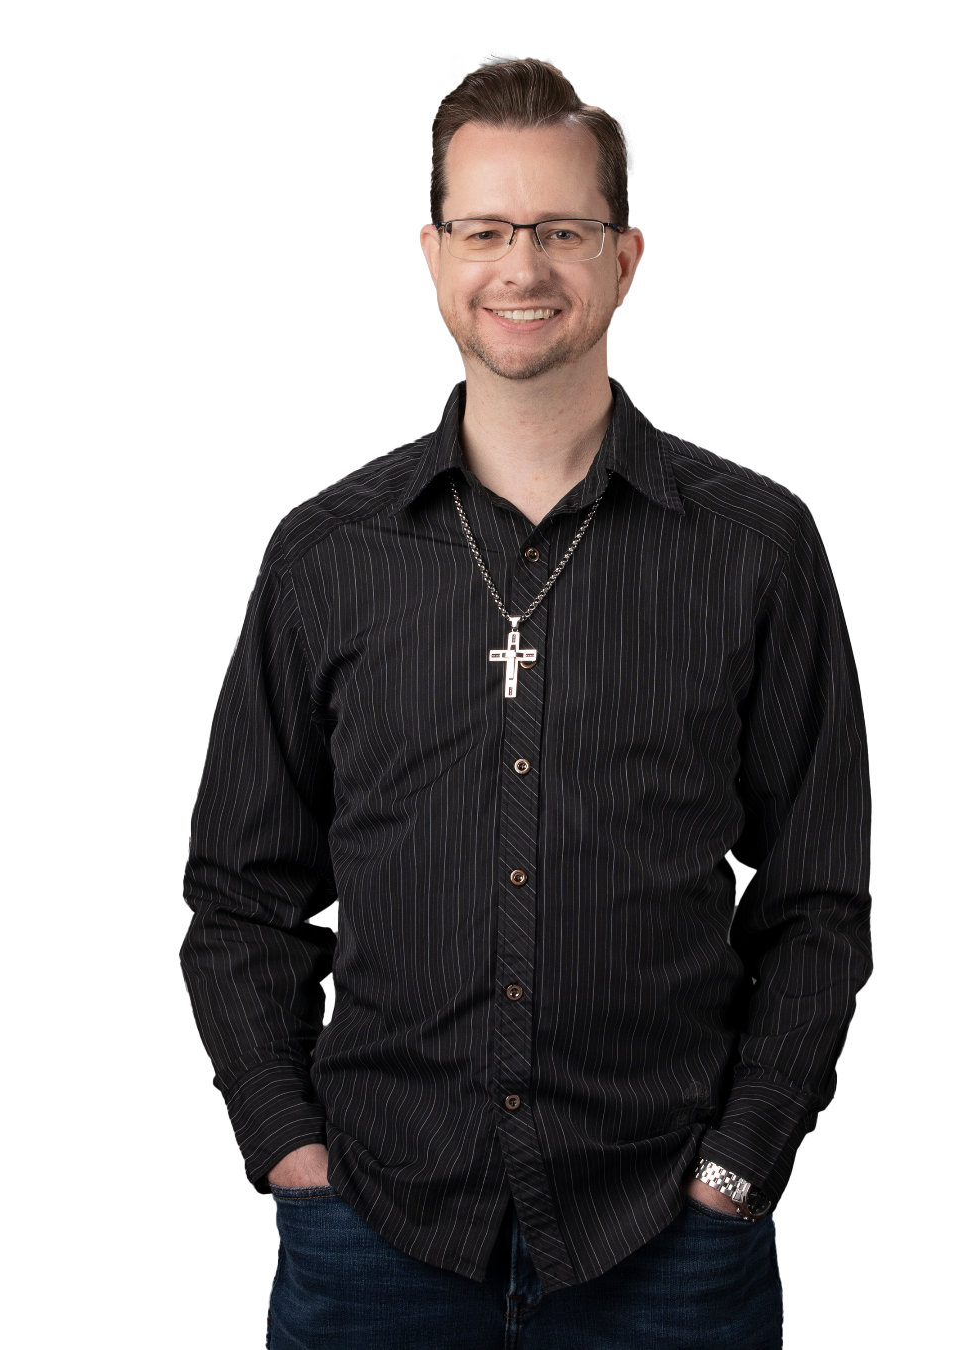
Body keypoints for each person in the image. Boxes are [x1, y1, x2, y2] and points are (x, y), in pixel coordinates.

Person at [180, 53, 872, 1350]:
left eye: (562, 229)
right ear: (434, 256)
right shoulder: (325, 550)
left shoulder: (758, 544)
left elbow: (821, 903)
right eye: (488, 230)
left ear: (625, 258)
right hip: (372, 1234)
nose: (523, 267)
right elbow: (236, 896)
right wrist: (287, 1151)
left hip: (670, 1239)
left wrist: (741, 1166)